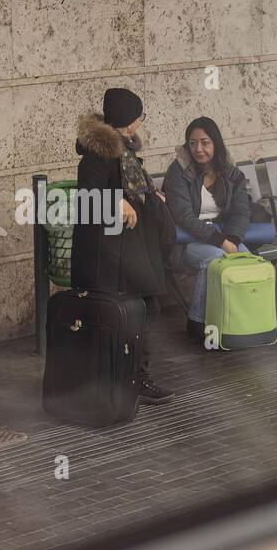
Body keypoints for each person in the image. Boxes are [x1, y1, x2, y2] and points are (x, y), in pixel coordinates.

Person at [72, 87, 174, 405]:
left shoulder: (123, 151)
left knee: (144, 308)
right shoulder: (98, 154)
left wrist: (149, 196)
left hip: (125, 251)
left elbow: (129, 186)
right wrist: (115, 201)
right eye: (140, 117)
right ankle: (130, 377)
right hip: (107, 257)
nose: (141, 123)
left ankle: (130, 375)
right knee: (137, 310)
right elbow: (89, 198)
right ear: (130, 121)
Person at [161, 117, 252, 340]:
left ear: (216, 143)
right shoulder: (179, 171)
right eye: (192, 143)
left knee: (246, 261)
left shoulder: (230, 173)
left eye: (205, 142)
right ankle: (197, 322)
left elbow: (241, 211)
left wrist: (232, 239)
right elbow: (183, 217)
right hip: (184, 240)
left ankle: (240, 321)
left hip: (221, 235)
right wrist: (222, 242)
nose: (198, 149)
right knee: (213, 260)